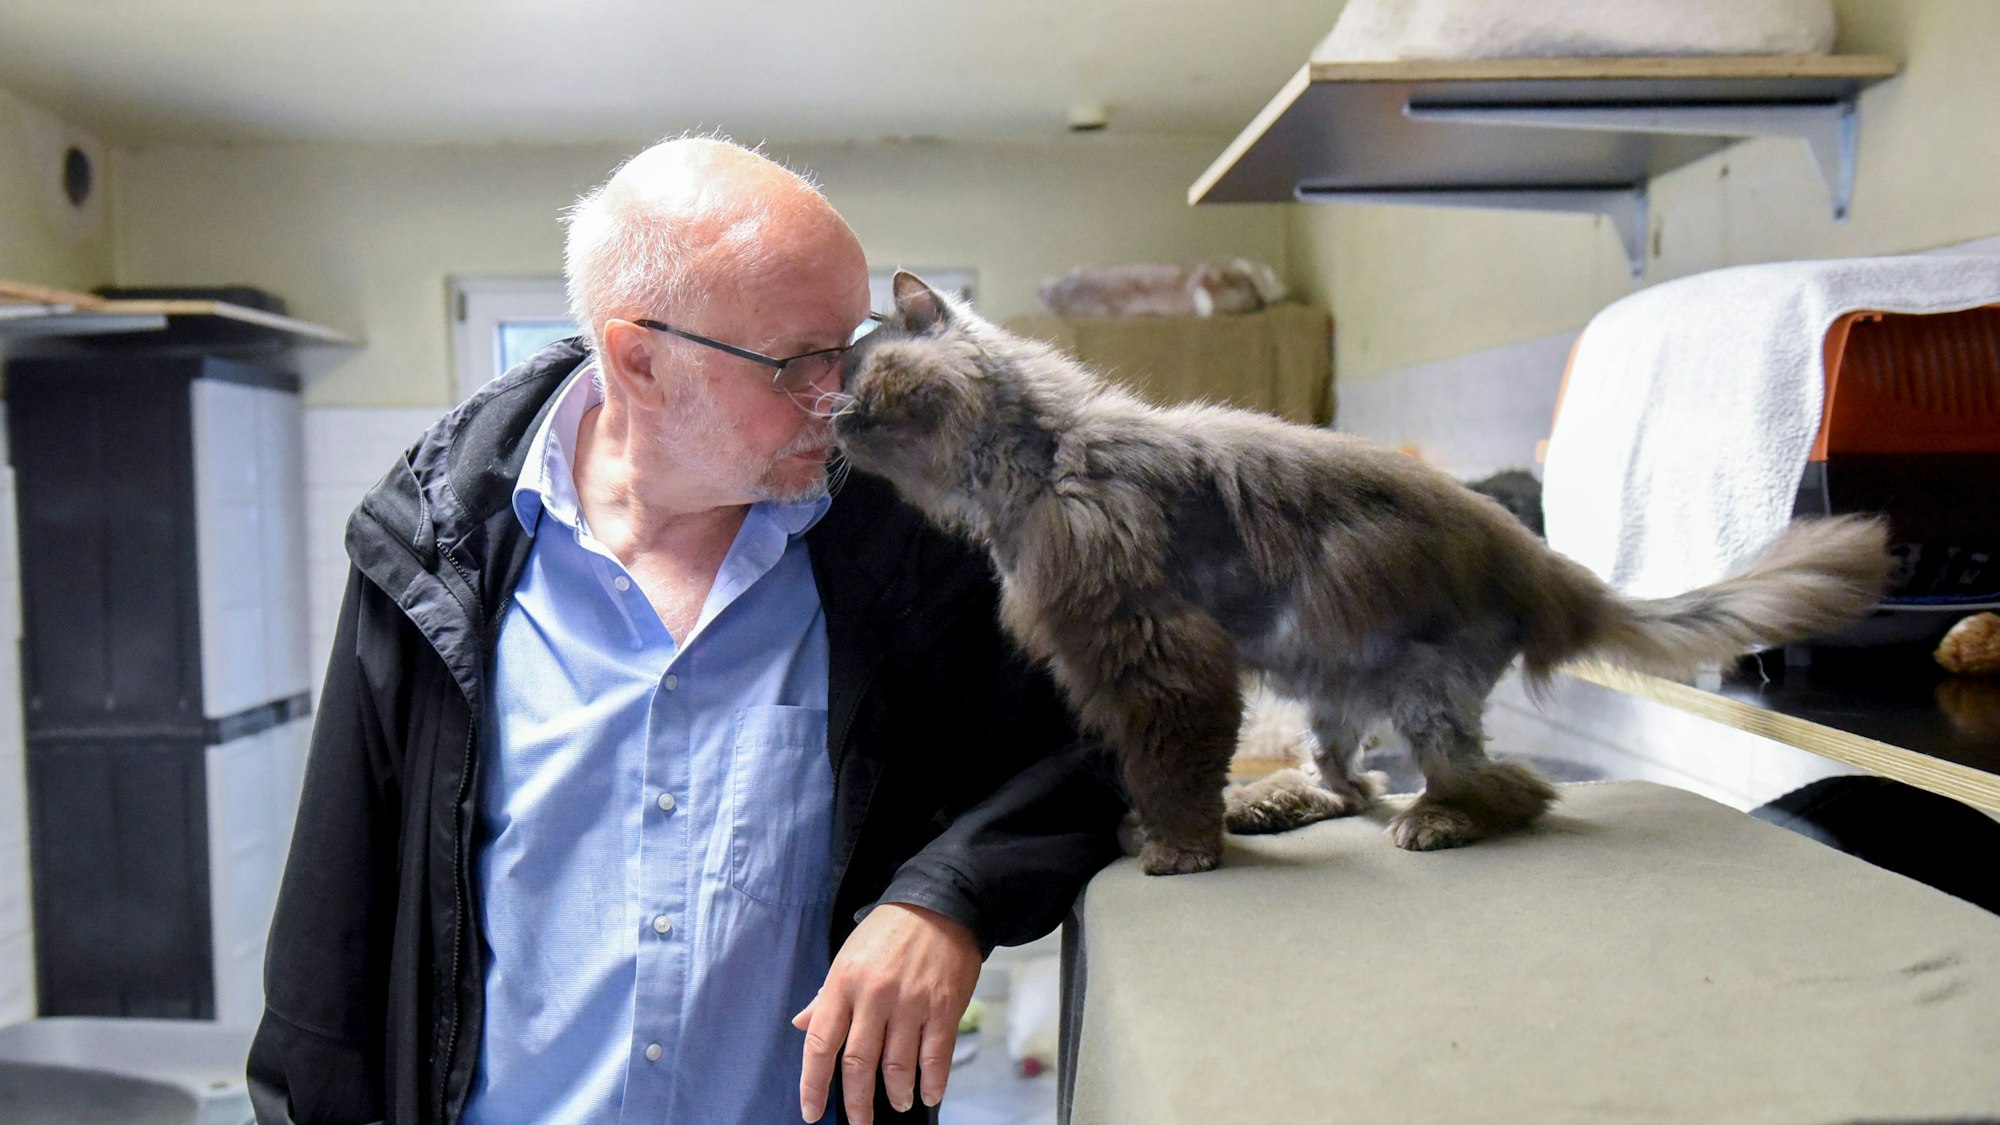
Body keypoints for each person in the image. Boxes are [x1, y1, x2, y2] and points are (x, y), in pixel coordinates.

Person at [247, 137, 1127, 1125]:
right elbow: (332, 945)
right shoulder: (431, 548)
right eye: (798, 363)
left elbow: (1097, 750)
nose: (839, 399)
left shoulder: (909, 546)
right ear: (639, 359)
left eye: (853, 344)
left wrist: (948, 897)